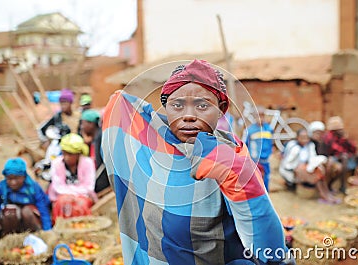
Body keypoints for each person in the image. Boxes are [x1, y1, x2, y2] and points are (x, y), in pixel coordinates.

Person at [102, 60, 292, 264]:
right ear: (166, 109)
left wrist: (236, 174)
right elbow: (118, 104)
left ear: (221, 111)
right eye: (177, 105)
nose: (189, 116)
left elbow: (269, 248)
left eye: (202, 105)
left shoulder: (231, 156)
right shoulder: (149, 149)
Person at [0, 158, 52, 240]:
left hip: (30, 220)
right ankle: (10, 238)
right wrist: (3, 208)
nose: (13, 182)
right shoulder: (1, 188)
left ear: (24, 177)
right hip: (10, 222)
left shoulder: (33, 188)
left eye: (16, 178)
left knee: (26, 211)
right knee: (10, 212)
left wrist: (47, 232)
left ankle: (36, 236)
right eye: (9, 179)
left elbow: (43, 209)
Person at [279, 129, 339, 204]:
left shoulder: (310, 145)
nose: (305, 140)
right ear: (297, 137)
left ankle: (327, 194)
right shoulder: (293, 147)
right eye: (302, 137)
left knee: (319, 172)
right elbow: (287, 164)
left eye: (307, 137)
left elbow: (312, 158)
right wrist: (299, 168)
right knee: (315, 176)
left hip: (306, 167)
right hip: (293, 170)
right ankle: (324, 195)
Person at [48, 133, 97, 222]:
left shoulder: (88, 163)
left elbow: (89, 187)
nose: (66, 157)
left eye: (70, 154)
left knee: (80, 205)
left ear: (78, 154)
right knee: (63, 202)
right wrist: (70, 196)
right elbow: (58, 187)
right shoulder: (56, 163)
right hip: (61, 195)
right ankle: (62, 229)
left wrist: (74, 196)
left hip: (84, 196)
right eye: (64, 153)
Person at [318, 116, 357, 193]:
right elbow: (326, 152)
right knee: (342, 160)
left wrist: (346, 139)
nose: (341, 130)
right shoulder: (328, 137)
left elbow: (352, 149)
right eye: (339, 129)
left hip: (340, 157)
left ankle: (345, 184)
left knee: (347, 157)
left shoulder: (341, 137)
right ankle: (340, 185)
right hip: (329, 157)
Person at [243, 106, 273, 191]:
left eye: (263, 115)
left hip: (266, 160)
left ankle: (266, 195)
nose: (260, 118)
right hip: (254, 160)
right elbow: (245, 145)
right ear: (254, 116)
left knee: (266, 177)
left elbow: (271, 142)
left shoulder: (269, 129)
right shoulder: (249, 130)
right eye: (258, 115)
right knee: (255, 179)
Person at [79, 109, 109, 194]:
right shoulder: (95, 138)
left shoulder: (100, 138)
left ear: (91, 124)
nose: (82, 126)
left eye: (83, 123)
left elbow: (100, 164)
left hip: (102, 183)